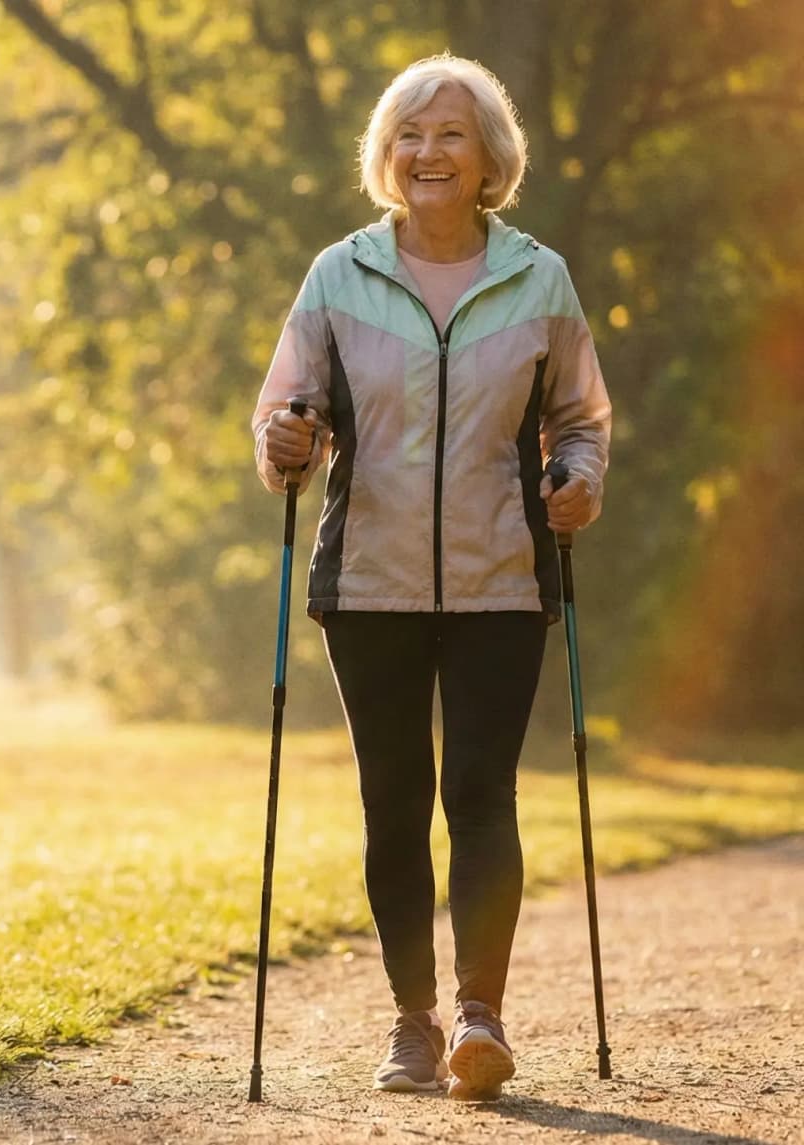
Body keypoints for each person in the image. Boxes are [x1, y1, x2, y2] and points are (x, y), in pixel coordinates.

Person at [250, 53, 613, 1100]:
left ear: (489, 155)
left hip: (503, 578)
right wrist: (284, 441)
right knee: (394, 800)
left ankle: (480, 1016)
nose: (428, 152)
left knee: (482, 793)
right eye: (409, 134)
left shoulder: (539, 278)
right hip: (370, 582)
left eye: (451, 132)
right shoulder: (339, 275)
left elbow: (580, 418)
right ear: (386, 155)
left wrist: (580, 480)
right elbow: (283, 417)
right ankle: (414, 1020)